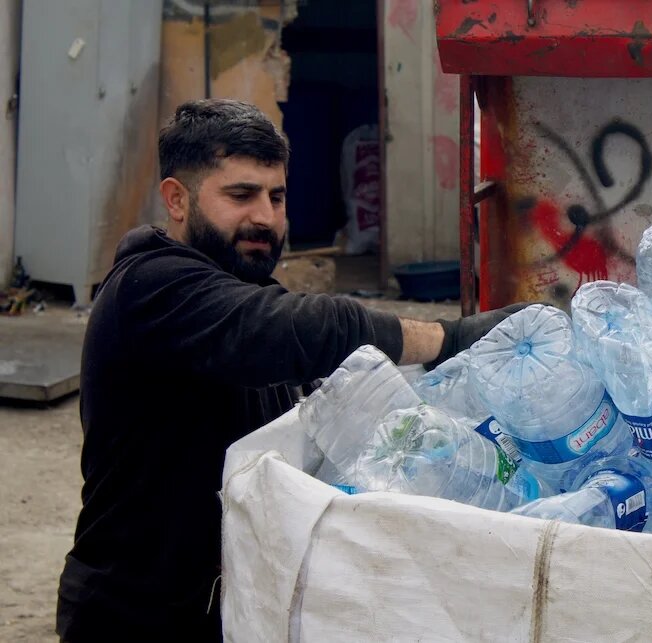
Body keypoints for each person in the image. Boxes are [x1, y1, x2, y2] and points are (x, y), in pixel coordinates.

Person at [56, 99, 525, 642]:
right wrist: (449, 338)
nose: (265, 216)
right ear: (177, 199)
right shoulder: (151, 288)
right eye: (241, 195)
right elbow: (309, 330)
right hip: (135, 620)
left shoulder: (242, 292)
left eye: (276, 196)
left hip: (224, 611)